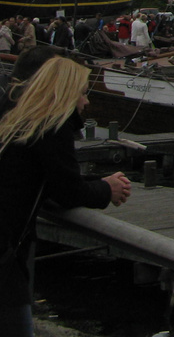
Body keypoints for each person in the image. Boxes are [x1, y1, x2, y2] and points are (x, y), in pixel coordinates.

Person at [0, 57, 130, 336]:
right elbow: (68, 190)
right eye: (83, 93)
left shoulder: (16, 119)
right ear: (67, 93)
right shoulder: (52, 126)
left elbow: (45, 178)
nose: (86, 102)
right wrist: (107, 189)